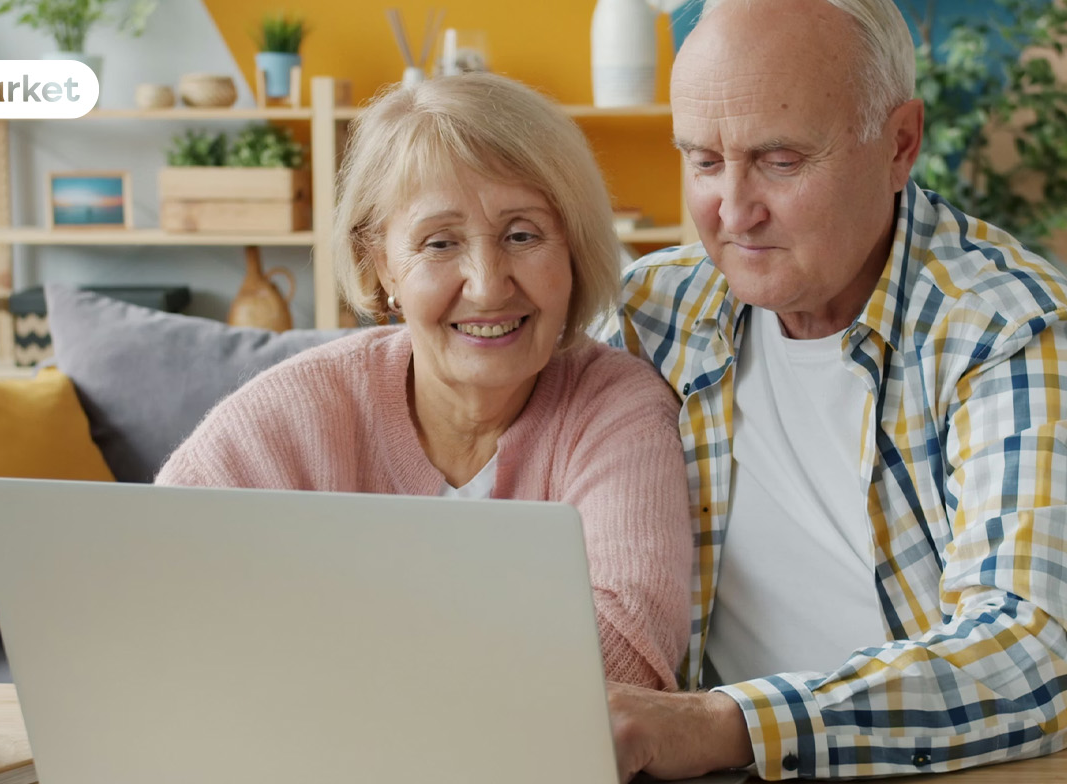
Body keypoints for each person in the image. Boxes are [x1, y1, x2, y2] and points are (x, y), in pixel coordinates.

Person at [599, 0, 1067, 779]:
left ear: (900, 144)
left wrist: (724, 724)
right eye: (704, 161)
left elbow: (1036, 651)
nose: (733, 211)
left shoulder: (1012, 330)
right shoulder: (650, 316)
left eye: (780, 160)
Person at [157, 73, 692, 691]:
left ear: (573, 252)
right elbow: (156, 581)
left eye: (523, 235)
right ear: (380, 261)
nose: (489, 285)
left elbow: (626, 656)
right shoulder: (300, 407)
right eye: (440, 243)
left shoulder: (616, 407)